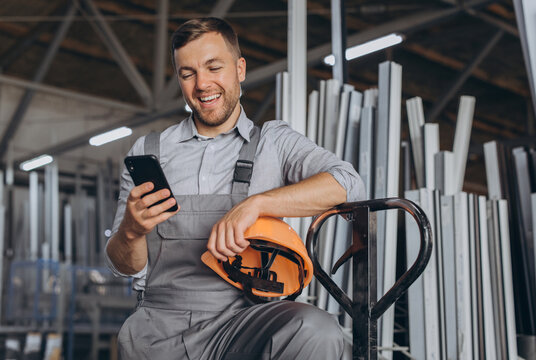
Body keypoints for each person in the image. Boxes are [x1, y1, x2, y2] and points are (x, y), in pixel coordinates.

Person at [106, 17, 364, 360]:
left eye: (214, 67)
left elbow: (348, 184)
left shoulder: (273, 143)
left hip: (244, 323)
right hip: (160, 330)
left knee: (317, 331)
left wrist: (257, 204)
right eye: (188, 74)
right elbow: (124, 264)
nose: (202, 84)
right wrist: (131, 231)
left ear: (240, 69)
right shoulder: (148, 151)